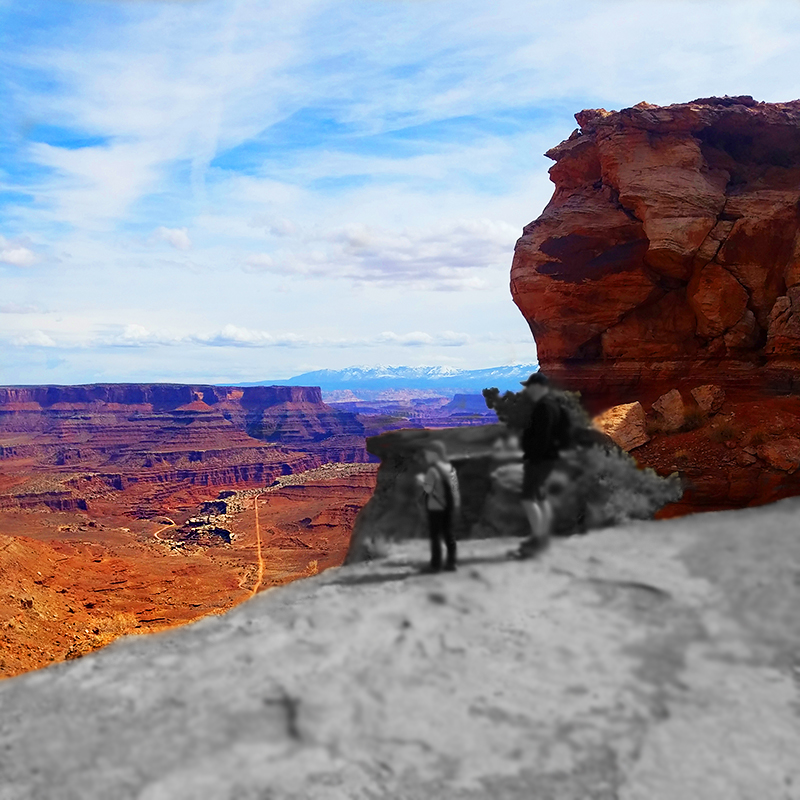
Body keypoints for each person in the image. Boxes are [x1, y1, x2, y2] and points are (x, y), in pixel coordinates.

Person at [517, 372, 569, 555]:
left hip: (539, 460)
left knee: (528, 498)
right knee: (541, 497)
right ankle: (543, 537)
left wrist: (533, 456)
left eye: (529, 386)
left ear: (538, 386)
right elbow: (564, 434)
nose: (527, 390)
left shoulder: (543, 408)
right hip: (550, 458)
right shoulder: (555, 405)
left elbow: (542, 436)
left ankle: (537, 540)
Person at [417, 440, 461, 572]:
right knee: (449, 534)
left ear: (434, 454)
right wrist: (456, 506)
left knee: (435, 535)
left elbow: (428, 489)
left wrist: (421, 481)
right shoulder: (451, 469)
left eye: (427, 453)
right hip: (449, 507)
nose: (426, 456)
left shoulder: (432, 470)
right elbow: (455, 490)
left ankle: (435, 565)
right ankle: (451, 563)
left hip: (435, 507)